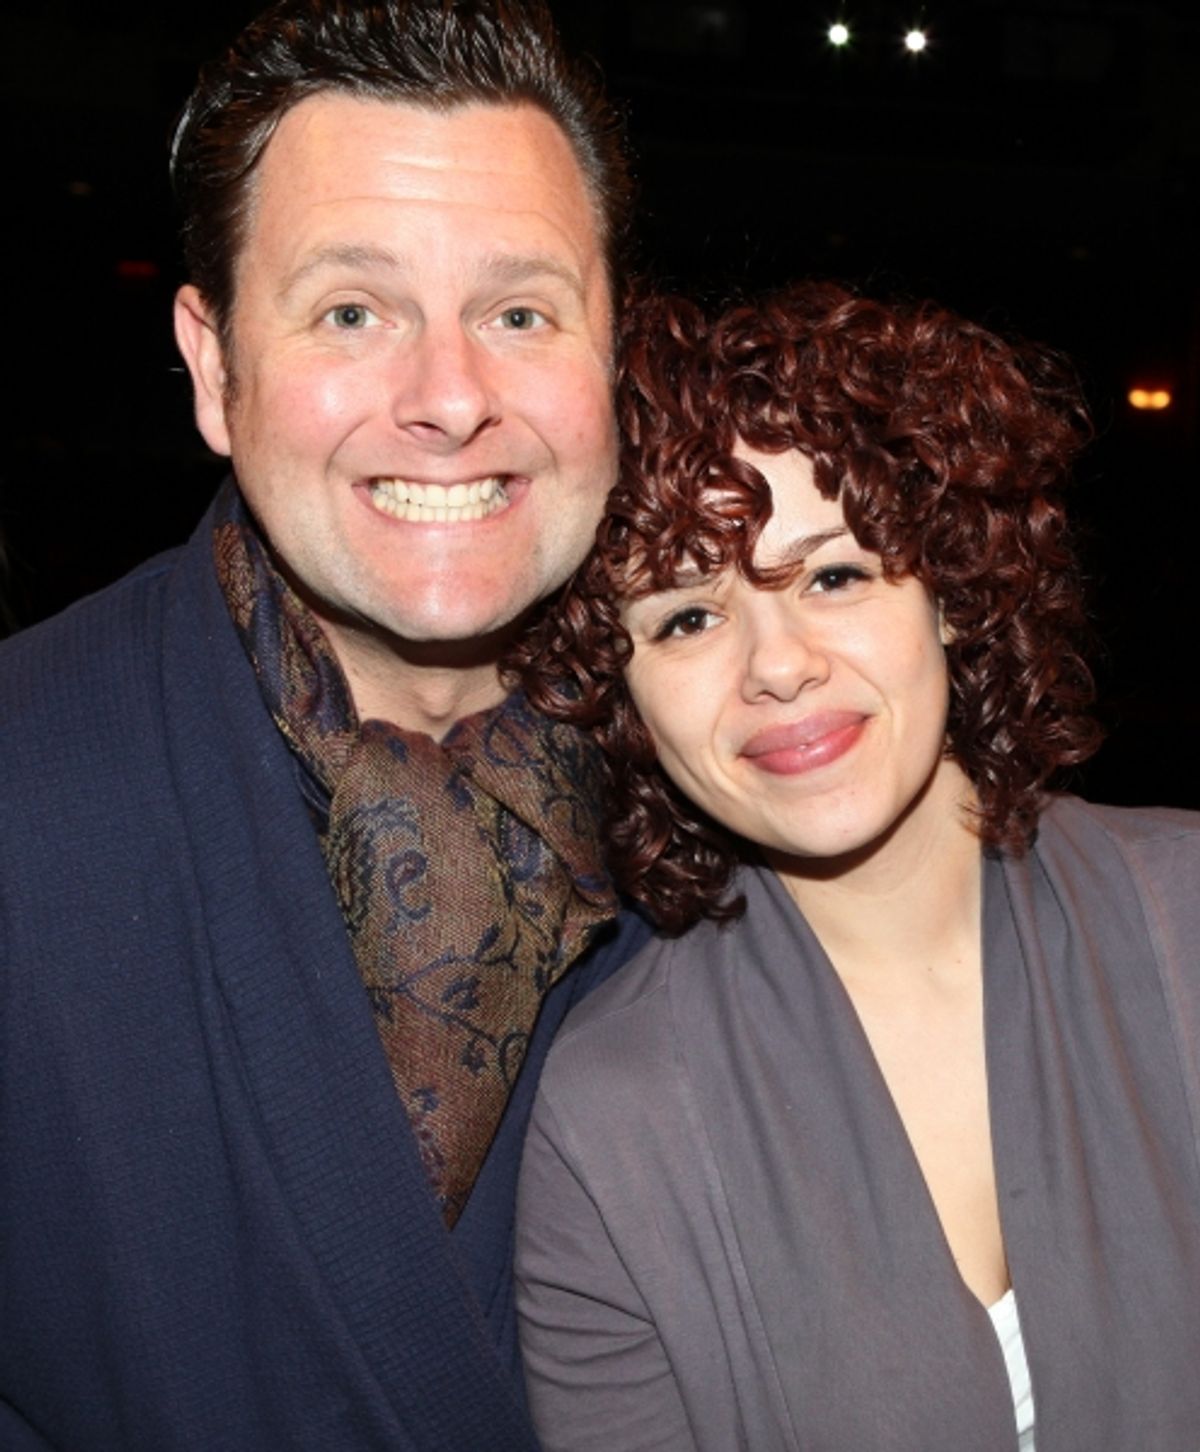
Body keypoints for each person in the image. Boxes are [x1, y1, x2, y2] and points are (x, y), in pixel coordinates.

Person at [0, 2, 650, 1447]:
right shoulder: (23, 791)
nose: (451, 400)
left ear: (614, 355)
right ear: (214, 363)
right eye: (353, 312)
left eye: (521, 314)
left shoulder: (771, 808)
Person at [513, 283, 1200, 1451]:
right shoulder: (609, 1126)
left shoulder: (1185, 916)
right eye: (685, 618)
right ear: (621, 699)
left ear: (951, 592)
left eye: (834, 577)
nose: (777, 665)